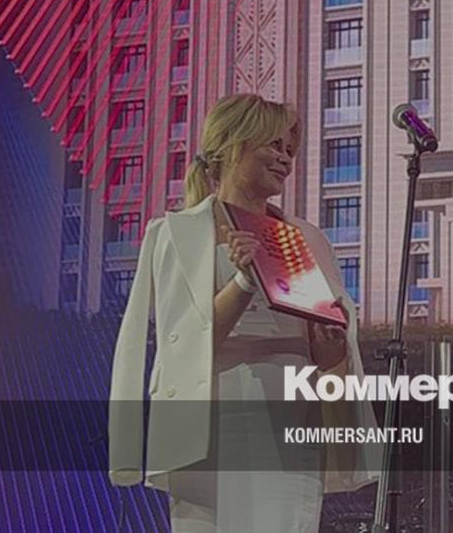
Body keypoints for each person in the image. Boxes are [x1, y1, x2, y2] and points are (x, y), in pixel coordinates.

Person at [108, 94, 382, 532]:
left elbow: (330, 354)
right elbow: (182, 346)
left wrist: (332, 344)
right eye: (273, 145)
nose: (285, 158)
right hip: (202, 430)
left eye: (289, 149)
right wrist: (244, 281)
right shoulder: (175, 234)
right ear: (233, 145)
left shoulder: (305, 238)